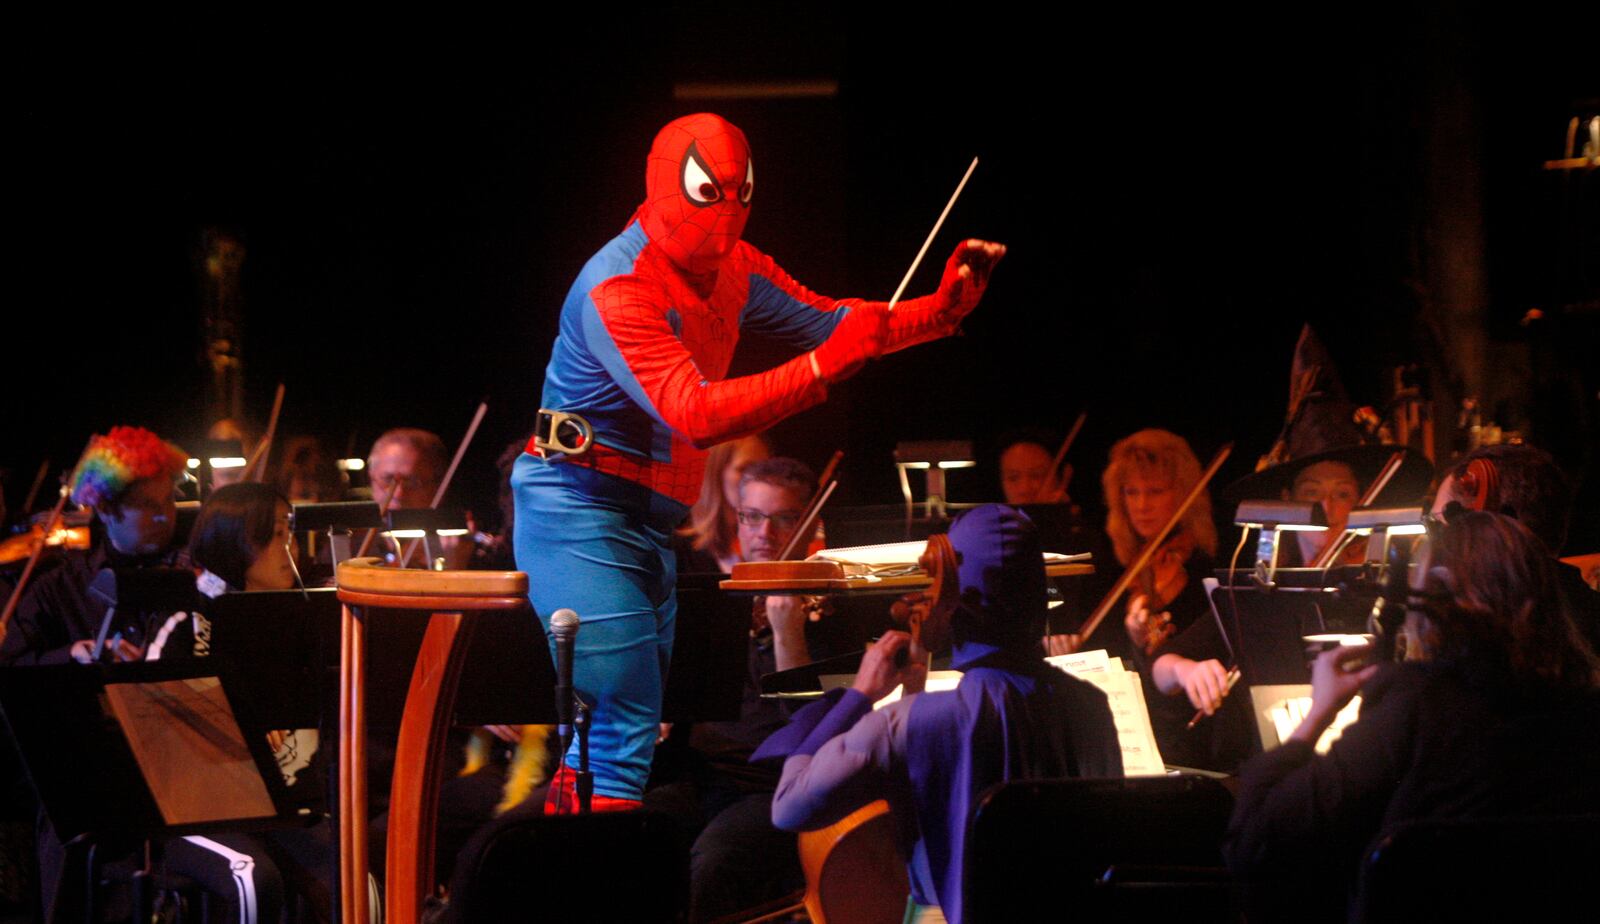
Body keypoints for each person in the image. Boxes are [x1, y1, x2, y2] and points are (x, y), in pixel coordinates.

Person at [514, 112, 1005, 810]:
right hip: (580, 508)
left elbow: (842, 325)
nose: (730, 211)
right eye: (711, 192)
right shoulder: (619, 287)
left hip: (644, 518)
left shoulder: (734, 267)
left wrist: (938, 311)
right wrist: (820, 368)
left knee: (609, 738)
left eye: (740, 193)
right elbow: (694, 411)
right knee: (620, 732)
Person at [1224, 511, 1600, 919]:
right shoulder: (1584, 710)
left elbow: (1257, 843)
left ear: (1434, 595)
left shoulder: (1419, 706)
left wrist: (1319, 712)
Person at [760, 505, 1122, 923]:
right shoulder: (1091, 707)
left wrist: (859, 696)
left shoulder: (908, 722)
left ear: (953, 598)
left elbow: (790, 808)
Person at [650, 456, 842, 920]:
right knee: (626, 835)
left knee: (713, 863)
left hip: (775, 787)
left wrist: (787, 636)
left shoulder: (835, 611)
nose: (764, 534)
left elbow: (816, 734)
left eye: (783, 520)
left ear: (810, 523)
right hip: (702, 775)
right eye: (752, 517)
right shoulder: (717, 599)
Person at [1429, 442, 1600, 652]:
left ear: (1487, 529)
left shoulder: (1481, 636)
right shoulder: (1588, 610)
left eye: (1436, 524)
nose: (1435, 543)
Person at [365, 427, 472, 570]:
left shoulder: (464, 548)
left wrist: (453, 572)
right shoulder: (349, 546)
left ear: (439, 486)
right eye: (387, 479)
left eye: (413, 482)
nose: (398, 493)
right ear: (370, 478)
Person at [680, 435, 772, 573]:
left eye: (764, 470)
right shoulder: (677, 552)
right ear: (716, 473)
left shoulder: (768, 539)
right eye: (745, 469)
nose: (759, 480)